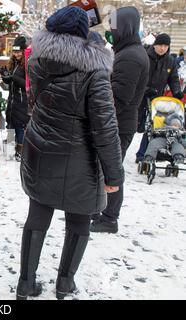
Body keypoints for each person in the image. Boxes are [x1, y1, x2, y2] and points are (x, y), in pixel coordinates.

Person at [18, 6, 124, 300]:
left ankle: (26, 283)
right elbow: (105, 126)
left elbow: (35, 104)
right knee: (79, 220)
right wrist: (114, 174)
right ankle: (65, 282)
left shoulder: (38, 59)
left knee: (37, 215)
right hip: (81, 160)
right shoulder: (95, 69)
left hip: (41, 151)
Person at [90, 6, 149, 234]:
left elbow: (118, 97)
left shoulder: (131, 57)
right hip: (118, 122)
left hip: (119, 124)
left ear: (125, 26)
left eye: (113, 26)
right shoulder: (127, 51)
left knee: (111, 171)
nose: (110, 30)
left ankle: (109, 218)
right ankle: (98, 211)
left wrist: (97, 111)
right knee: (105, 169)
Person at [134, 33, 183, 164]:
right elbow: (137, 78)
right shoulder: (145, 57)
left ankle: (142, 153)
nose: (163, 48)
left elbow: (173, 80)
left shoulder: (170, 61)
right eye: (160, 45)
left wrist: (177, 91)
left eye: (166, 46)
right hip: (140, 96)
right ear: (155, 45)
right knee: (135, 125)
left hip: (156, 99)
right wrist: (146, 89)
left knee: (153, 125)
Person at [0, 36, 30, 161]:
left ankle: (20, 152)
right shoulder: (14, 63)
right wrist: (5, 77)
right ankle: (11, 150)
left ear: (23, 51)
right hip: (12, 100)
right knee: (11, 124)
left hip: (23, 101)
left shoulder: (27, 64)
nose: (16, 54)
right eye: (14, 51)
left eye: (18, 52)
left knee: (20, 126)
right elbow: (10, 82)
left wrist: (14, 78)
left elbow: (28, 84)